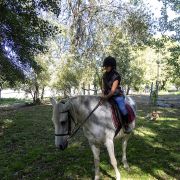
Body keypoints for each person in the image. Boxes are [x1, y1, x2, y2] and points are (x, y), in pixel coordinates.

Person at [101, 56, 132, 134]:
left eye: (107, 66)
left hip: (116, 95)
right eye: (105, 66)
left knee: (122, 109)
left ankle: (126, 125)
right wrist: (102, 94)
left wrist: (105, 98)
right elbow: (104, 87)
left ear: (112, 66)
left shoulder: (116, 76)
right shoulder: (104, 75)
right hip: (107, 95)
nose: (105, 67)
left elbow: (112, 91)